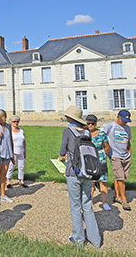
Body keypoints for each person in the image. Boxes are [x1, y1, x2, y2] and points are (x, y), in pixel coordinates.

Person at [59, 106, 101, 248]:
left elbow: (62, 150)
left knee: (76, 206)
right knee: (87, 204)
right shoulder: (87, 132)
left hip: (73, 172)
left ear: (70, 118)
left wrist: (61, 157)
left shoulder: (67, 131)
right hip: (88, 171)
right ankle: (95, 240)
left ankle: (78, 239)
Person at [101, 109, 132, 211]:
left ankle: (115, 195)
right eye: (123, 120)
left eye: (126, 121)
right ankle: (123, 199)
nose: (125, 122)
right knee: (120, 178)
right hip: (115, 155)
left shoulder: (127, 128)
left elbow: (128, 142)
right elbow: (101, 136)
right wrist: (105, 149)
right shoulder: (111, 126)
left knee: (121, 176)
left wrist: (130, 154)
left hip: (126, 155)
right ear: (118, 117)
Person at [86, 114, 111, 211]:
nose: (91, 125)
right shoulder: (85, 133)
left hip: (100, 161)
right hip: (89, 161)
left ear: (96, 124)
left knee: (102, 182)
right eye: (89, 123)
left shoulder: (101, 134)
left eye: (92, 123)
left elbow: (107, 147)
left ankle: (104, 202)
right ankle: (90, 201)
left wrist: (102, 156)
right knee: (90, 183)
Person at [6, 115, 28, 188]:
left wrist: (25, 151)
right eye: (14, 121)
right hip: (13, 151)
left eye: (17, 121)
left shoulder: (21, 130)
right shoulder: (9, 131)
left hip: (21, 150)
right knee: (11, 166)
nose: (16, 123)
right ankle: (8, 181)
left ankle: (21, 180)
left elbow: (24, 141)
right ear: (11, 122)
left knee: (21, 166)